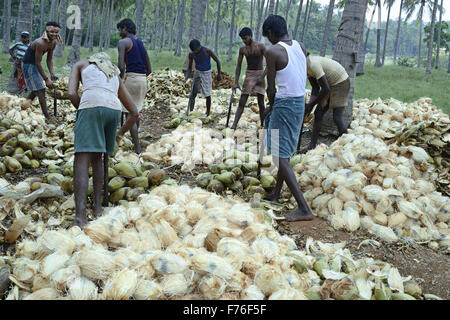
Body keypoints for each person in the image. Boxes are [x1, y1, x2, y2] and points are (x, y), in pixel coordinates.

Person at [68, 52, 139, 228]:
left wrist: (83, 109)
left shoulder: (81, 64)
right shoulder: (113, 72)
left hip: (91, 106)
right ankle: (98, 207)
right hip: (113, 109)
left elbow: (71, 93)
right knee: (97, 157)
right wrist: (120, 133)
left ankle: (80, 217)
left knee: (81, 160)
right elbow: (134, 113)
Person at [261, 15, 313, 222]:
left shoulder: (273, 51)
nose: (268, 40)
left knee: (277, 154)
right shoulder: (299, 45)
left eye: (268, 36)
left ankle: (304, 208)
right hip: (299, 101)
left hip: (285, 104)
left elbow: (271, 88)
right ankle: (276, 192)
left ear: (272, 33)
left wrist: (272, 108)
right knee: (284, 150)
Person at [298, 54, 350, 153]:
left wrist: (311, 105)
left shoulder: (312, 64)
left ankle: (347, 145)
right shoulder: (306, 67)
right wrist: (309, 105)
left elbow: (325, 89)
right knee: (318, 113)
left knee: (337, 117)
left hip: (341, 82)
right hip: (330, 85)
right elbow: (316, 88)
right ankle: (312, 146)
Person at [117, 18, 152, 154]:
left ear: (125, 29)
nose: (119, 33)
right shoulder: (141, 44)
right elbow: (149, 68)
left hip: (131, 79)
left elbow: (121, 66)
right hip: (143, 80)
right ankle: (133, 140)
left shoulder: (123, 42)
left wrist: (119, 80)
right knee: (136, 111)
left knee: (129, 114)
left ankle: (137, 147)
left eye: (120, 30)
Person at [21, 22, 62, 120]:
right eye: (51, 32)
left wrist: (52, 74)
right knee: (41, 89)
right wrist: (46, 79)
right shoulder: (40, 43)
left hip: (34, 64)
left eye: (56, 32)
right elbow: (38, 63)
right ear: (47, 31)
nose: (54, 34)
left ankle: (23, 107)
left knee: (37, 89)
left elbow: (49, 60)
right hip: (28, 65)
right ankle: (48, 117)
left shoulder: (53, 42)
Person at [231, 27, 266, 129]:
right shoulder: (243, 49)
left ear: (250, 36)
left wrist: (262, 77)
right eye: (242, 39)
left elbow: (269, 63)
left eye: (245, 38)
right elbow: (239, 66)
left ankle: (263, 124)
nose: (244, 41)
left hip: (260, 73)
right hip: (249, 74)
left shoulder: (260, 47)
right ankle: (234, 125)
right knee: (242, 101)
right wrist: (236, 82)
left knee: (261, 102)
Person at [185, 39, 222, 116]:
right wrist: (186, 78)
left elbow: (217, 61)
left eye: (197, 50)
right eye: (194, 51)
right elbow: (189, 68)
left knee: (207, 94)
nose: (196, 52)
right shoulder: (191, 54)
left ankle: (208, 113)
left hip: (206, 73)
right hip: (197, 72)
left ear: (199, 46)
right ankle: (191, 111)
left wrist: (219, 74)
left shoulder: (207, 51)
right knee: (193, 93)